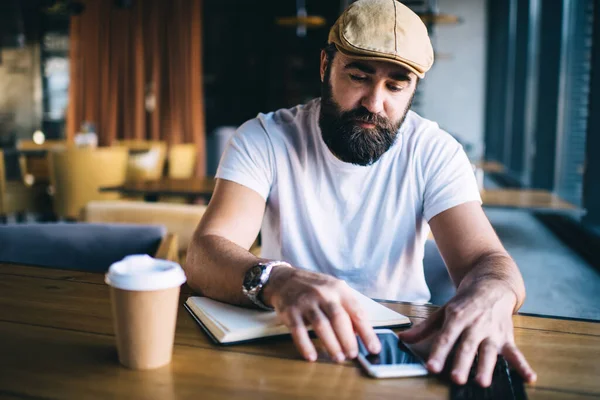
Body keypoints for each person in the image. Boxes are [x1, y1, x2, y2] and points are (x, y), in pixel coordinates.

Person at [185, 0, 537, 388]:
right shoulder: (265, 138)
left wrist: (493, 292)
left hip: (400, 344)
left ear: (413, 88)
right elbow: (204, 253)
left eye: (395, 85)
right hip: (288, 338)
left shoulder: (435, 151)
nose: (374, 103)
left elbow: (487, 260)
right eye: (359, 76)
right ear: (325, 67)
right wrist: (278, 280)